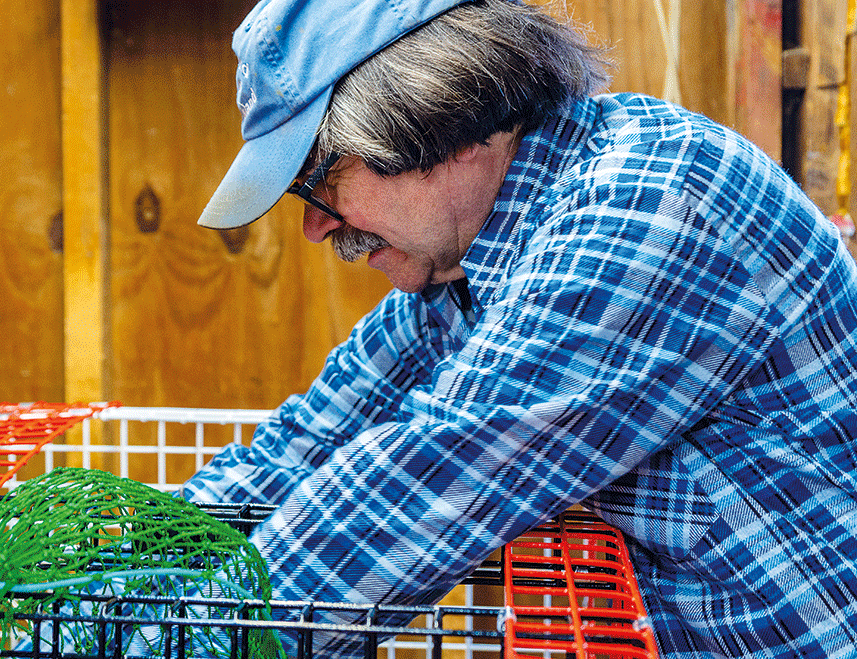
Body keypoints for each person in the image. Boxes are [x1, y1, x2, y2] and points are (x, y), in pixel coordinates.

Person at [183, 0, 857, 656]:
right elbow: (308, 445)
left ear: (431, 115)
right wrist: (129, 560)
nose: (316, 224)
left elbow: (423, 483)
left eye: (318, 179)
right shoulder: (470, 259)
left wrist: (170, 642)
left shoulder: (650, 199)